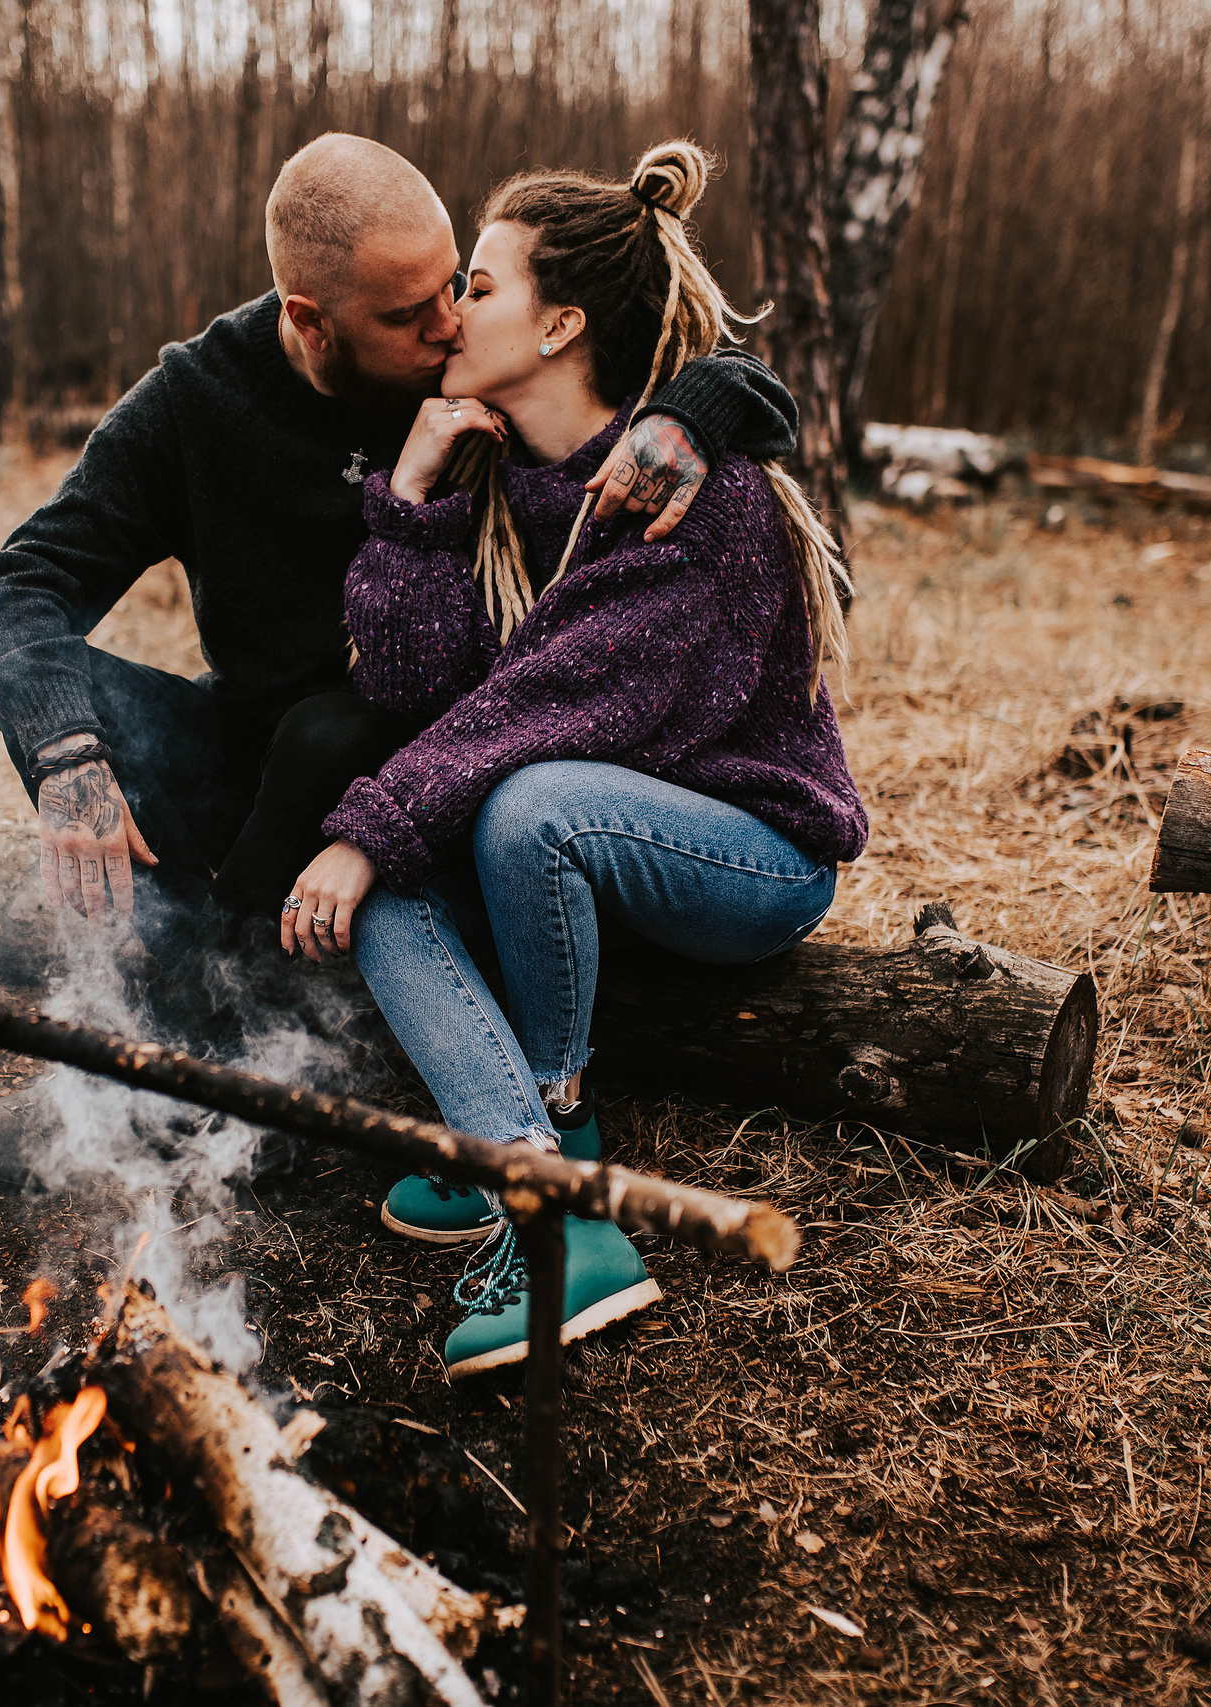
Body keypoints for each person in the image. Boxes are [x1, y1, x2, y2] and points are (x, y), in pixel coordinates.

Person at [0, 133, 802, 1172]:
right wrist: (67, 758)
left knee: (338, 725)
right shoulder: (195, 403)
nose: (446, 324)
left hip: (439, 769)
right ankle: (193, 1021)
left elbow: (644, 323)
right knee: (80, 702)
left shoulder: (476, 361)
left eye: (458, 287)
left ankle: (229, 1049)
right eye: (410, 315)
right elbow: (20, 582)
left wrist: (702, 405)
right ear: (308, 319)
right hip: (276, 775)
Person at [280, 141, 868, 1377]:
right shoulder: (509, 479)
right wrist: (414, 494)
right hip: (587, 837)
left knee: (528, 805)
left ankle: (557, 1210)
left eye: (478, 290)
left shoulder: (689, 501)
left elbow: (542, 714)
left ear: (558, 326)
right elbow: (407, 686)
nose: (449, 318)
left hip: (747, 852)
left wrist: (360, 824)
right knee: (400, 891)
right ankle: (525, 1159)